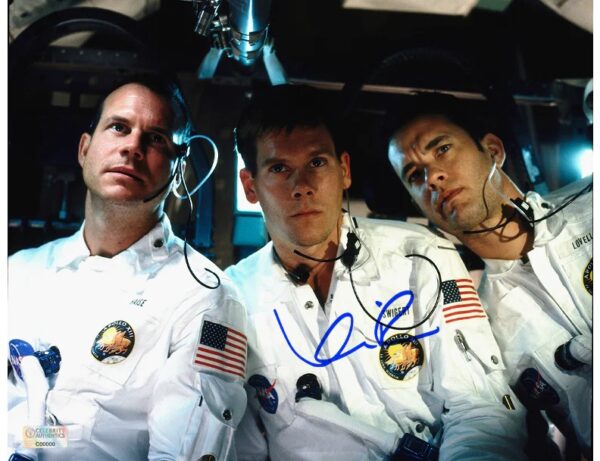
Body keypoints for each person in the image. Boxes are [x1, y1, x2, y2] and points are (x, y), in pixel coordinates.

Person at [225, 84, 526, 461]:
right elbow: (238, 446)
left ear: (344, 171)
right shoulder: (230, 298)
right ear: (250, 186)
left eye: (317, 163)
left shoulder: (423, 255)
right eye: (279, 168)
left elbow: (481, 407)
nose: (302, 187)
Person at [8, 75, 247, 461]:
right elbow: (39, 438)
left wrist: (42, 440)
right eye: (119, 127)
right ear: (85, 149)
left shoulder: (207, 298)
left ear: (178, 170)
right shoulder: (18, 272)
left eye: (156, 138)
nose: (133, 147)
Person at [386, 92, 592, 458]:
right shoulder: (479, 329)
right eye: (415, 175)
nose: (433, 177)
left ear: (493, 151)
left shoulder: (590, 204)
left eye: (442, 149)